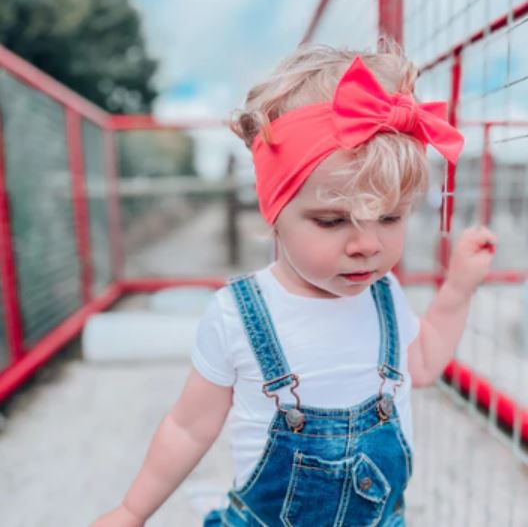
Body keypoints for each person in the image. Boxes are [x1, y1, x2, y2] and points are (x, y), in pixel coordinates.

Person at [91, 41, 497, 527]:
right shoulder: (238, 315)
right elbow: (187, 427)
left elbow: (425, 363)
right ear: (274, 214)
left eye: (390, 217)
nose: (367, 244)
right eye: (331, 221)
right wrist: (133, 510)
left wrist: (458, 290)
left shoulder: (384, 295)